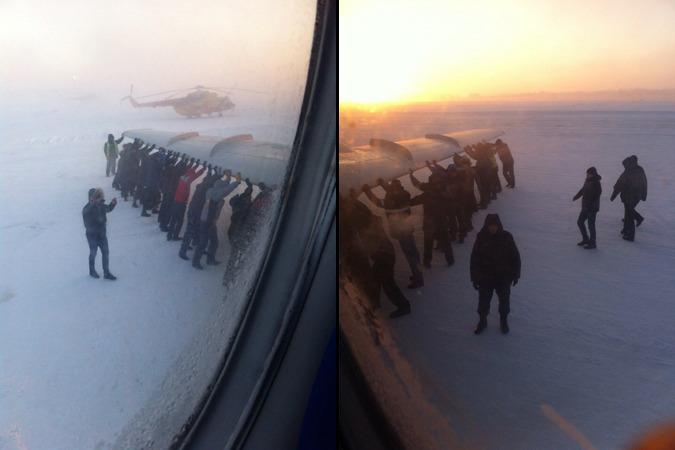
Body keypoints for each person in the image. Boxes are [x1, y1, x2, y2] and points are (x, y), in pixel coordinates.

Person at [362, 178, 424, 289]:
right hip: (407, 229)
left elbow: (377, 201)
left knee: (411, 256)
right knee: (413, 253)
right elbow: (392, 192)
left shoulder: (391, 201)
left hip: (402, 232)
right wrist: (383, 184)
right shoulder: (404, 195)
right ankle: (417, 275)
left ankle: (418, 279)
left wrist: (367, 191)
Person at [470, 214, 521, 334]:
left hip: (503, 277)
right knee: (483, 302)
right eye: (490, 226)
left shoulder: (507, 237)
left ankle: (504, 321)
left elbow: (515, 257)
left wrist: (516, 274)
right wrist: (474, 277)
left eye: (495, 226)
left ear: (499, 225)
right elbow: (474, 259)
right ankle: (482, 321)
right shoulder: (481, 237)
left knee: (504, 302)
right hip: (485, 277)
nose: (492, 228)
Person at [192, 171, 241, 269]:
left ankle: (210, 259)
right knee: (203, 242)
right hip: (207, 222)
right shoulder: (215, 194)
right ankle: (196, 262)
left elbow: (223, 187)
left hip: (209, 220)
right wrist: (237, 182)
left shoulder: (211, 190)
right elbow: (226, 190)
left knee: (214, 242)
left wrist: (227, 178)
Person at [410, 169, 454, 268]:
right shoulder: (428, 191)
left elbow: (451, 198)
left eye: (438, 181)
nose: (437, 183)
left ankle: (449, 259)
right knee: (429, 243)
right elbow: (417, 185)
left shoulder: (443, 191)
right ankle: (427, 261)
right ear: (432, 181)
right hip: (430, 223)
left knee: (444, 242)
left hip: (439, 221)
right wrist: (411, 175)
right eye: (435, 180)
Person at [82, 187, 117, 280]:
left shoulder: (101, 205)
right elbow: (87, 224)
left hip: (102, 234)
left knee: (106, 252)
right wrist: (97, 221)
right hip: (92, 236)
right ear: (90, 198)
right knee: (93, 253)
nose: (98, 199)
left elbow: (108, 208)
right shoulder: (86, 209)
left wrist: (113, 204)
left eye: (99, 197)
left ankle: (106, 273)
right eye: (95, 197)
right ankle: (92, 271)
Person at [610, 155, 647, 241]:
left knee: (629, 214)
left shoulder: (628, 172)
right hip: (636, 196)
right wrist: (643, 194)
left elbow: (619, 184)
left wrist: (613, 195)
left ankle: (630, 235)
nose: (624, 167)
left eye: (624, 165)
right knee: (628, 212)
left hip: (629, 196)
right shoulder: (639, 169)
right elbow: (645, 182)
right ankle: (626, 228)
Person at [167, 161, 205, 241]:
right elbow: (197, 175)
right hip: (181, 203)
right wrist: (203, 168)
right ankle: (175, 236)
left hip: (176, 201)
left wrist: (196, 165)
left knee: (173, 219)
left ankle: (169, 235)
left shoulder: (182, 177)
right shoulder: (189, 179)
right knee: (180, 221)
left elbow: (191, 171)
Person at [573, 167, 602, 249]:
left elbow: (597, 195)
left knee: (591, 225)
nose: (587, 175)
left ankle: (593, 243)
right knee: (580, 222)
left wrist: (590, 204)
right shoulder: (587, 180)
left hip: (592, 208)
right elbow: (583, 190)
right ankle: (585, 239)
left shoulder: (596, 183)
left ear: (593, 174)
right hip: (585, 207)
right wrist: (577, 196)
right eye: (587, 174)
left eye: (589, 174)